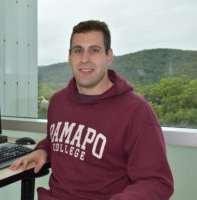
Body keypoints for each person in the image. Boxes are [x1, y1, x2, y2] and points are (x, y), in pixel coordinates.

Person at [10, 20, 174, 200]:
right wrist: (43, 150)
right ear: (70, 56)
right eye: (78, 50)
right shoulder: (58, 101)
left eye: (94, 50)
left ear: (108, 56)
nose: (84, 59)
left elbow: (157, 182)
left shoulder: (136, 111)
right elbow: (57, 139)